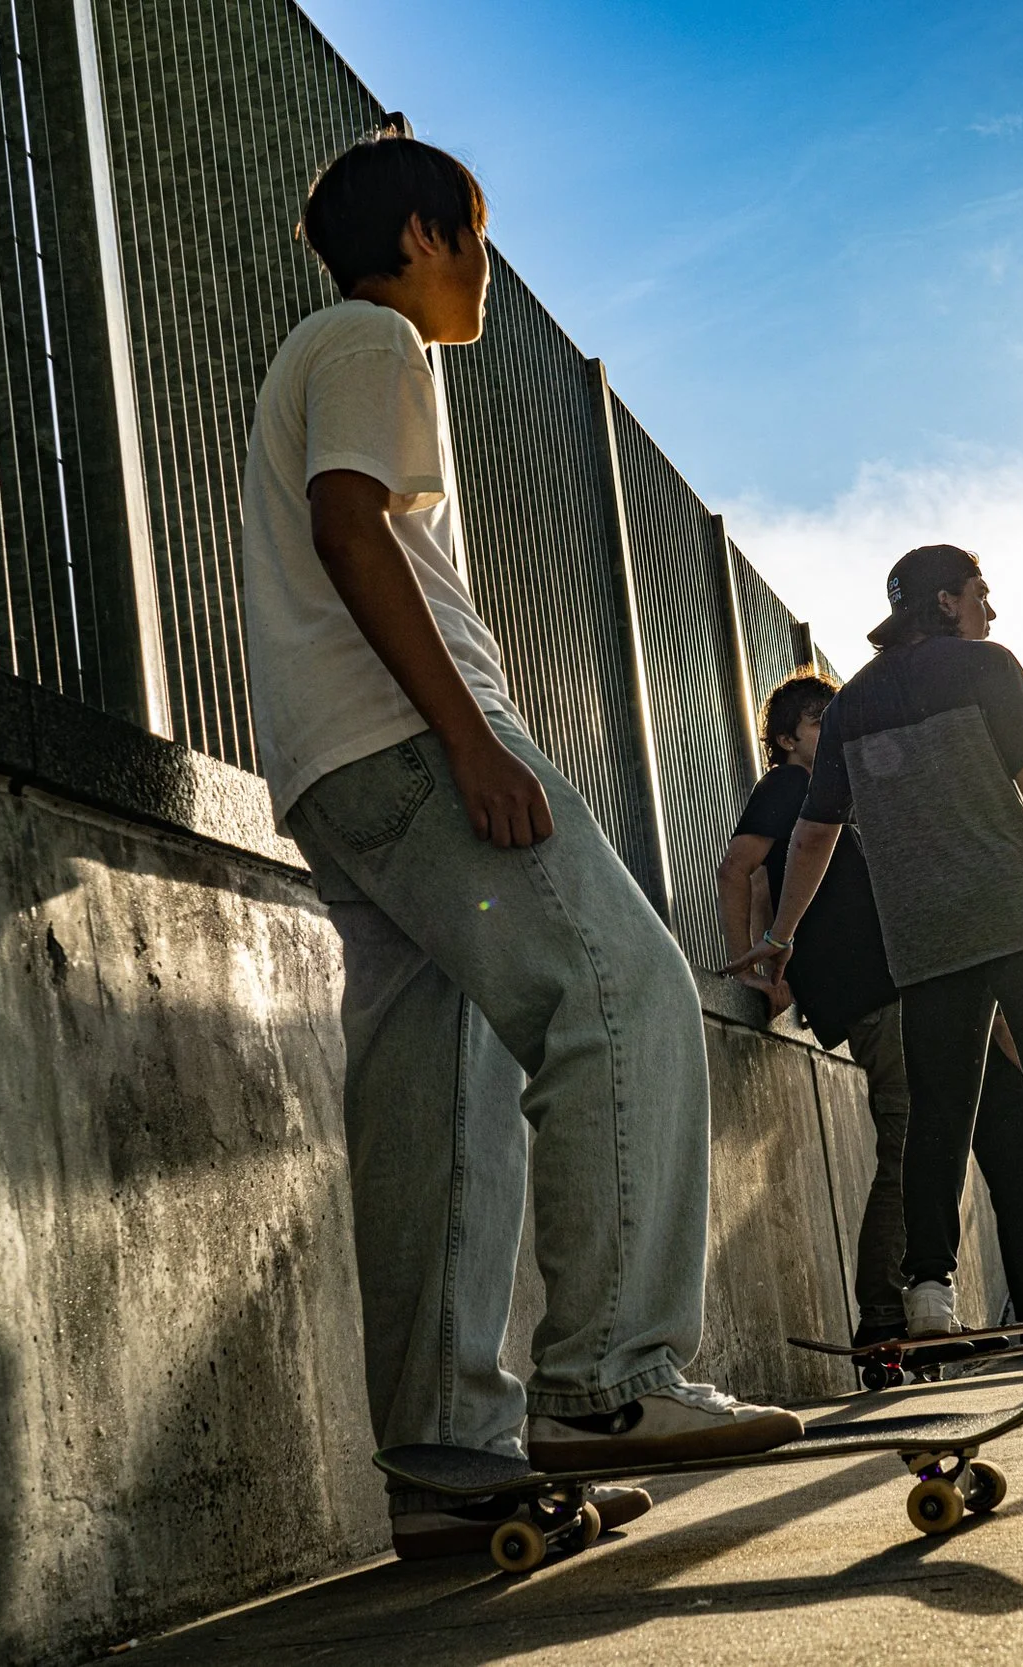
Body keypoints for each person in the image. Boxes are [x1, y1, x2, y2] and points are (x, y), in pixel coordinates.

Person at [244, 126, 799, 1560]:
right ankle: (607, 1382)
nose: (484, 269)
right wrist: (474, 739)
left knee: (437, 1107)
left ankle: (447, 1460)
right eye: (476, 238)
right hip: (416, 747)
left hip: (332, 778)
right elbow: (350, 525)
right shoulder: (373, 336)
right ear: (424, 235)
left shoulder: (314, 354)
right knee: (622, 993)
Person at [730, 544, 1023, 1337]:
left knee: (939, 1113)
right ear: (943, 602)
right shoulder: (988, 666)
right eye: (979, 593)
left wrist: (783, 933)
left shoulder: (852, 705)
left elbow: (813, 835)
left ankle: (928, 1287)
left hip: (926, 941)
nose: (989, 610)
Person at [717, 673, 1023, 1344]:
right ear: (789, 738)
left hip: (929, 986)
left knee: (1005, 1126)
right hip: (879, 997)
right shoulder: (789, 788)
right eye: (820, 723)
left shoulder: (851, 798)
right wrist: (757, 968)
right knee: (912, 1142)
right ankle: (885, 1311)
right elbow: (737, 867)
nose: (834, 734)